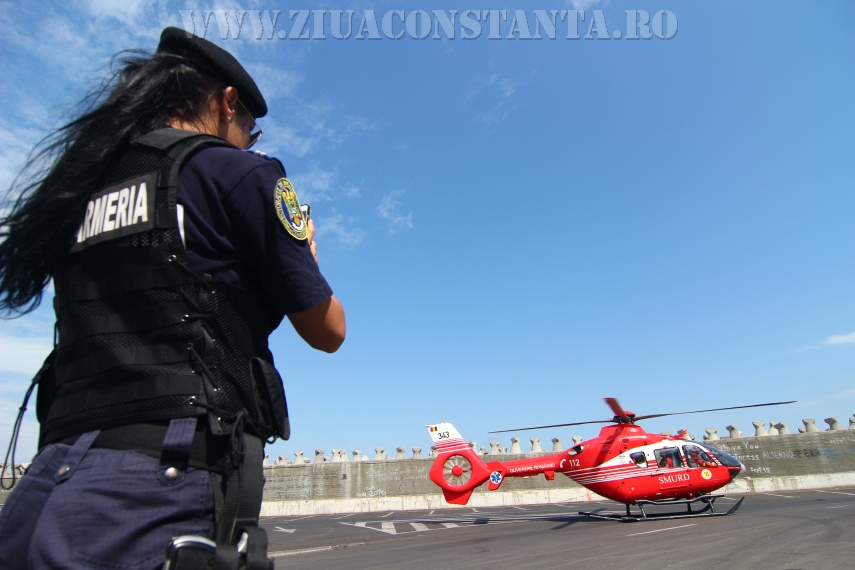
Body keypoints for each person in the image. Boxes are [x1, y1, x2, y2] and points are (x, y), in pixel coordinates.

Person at [0, 27, 345, 569]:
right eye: (249, 129)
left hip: (48, 477)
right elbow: (328, 331)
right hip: (158, 477)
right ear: (227, 102)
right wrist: (308, 263)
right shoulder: (236, 172)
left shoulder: (79, 190)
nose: (247, 142)